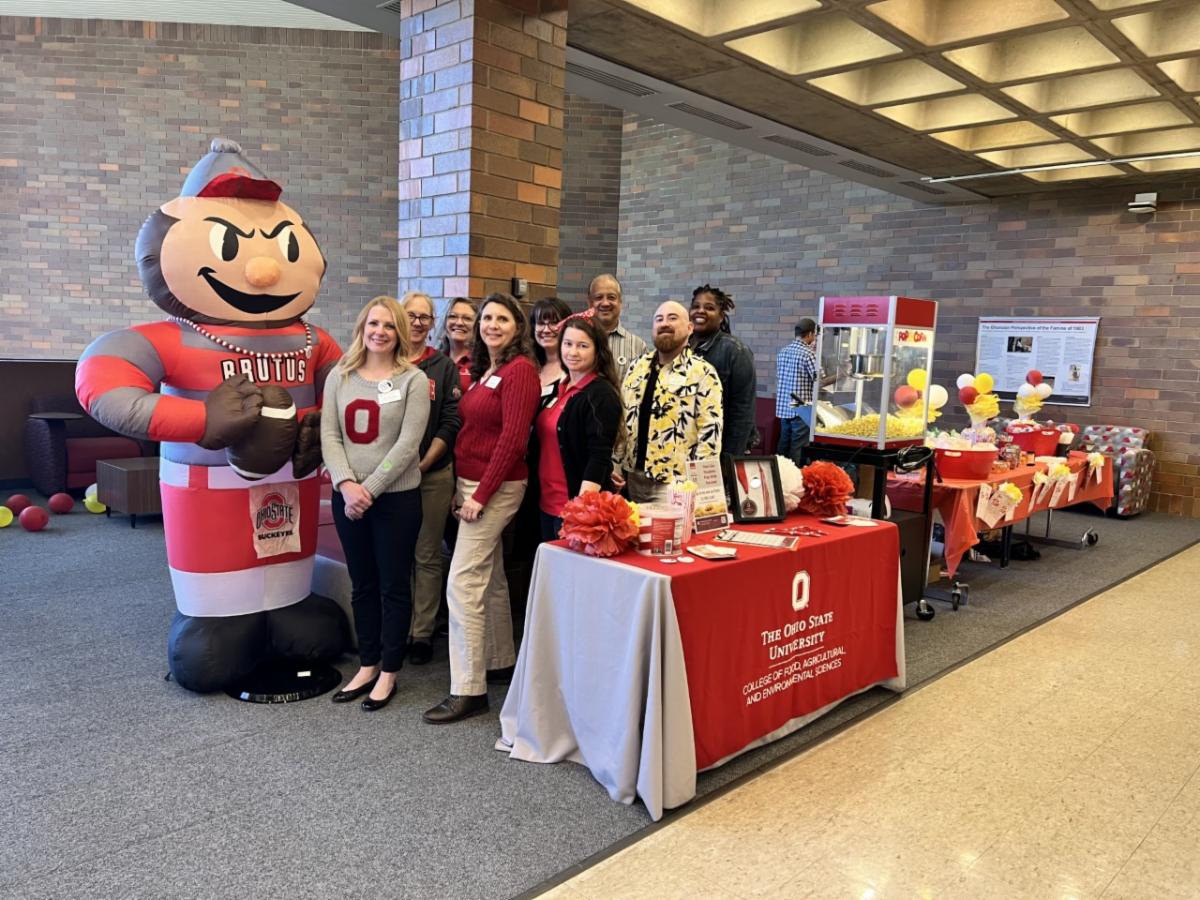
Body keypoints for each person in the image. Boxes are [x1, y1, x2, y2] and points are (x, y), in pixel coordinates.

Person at [424, 292, 540, 724]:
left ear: (517, 327)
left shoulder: (520, 371)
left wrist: (480, 495)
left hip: (498, 485)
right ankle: (498, 660)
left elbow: (512, 441)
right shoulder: (486, 368)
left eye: (502, 319)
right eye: (487, 318)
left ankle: (467, 689)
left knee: (462, 583)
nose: (492, 325)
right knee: (488, 577)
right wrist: (462, 488)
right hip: (473, 483)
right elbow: (472, 434)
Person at [321, 296, 430, 711]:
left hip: (396, 500)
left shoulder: (412, 380)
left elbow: (408, 444)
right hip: (348, 499)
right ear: (362, 327)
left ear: (399, 332)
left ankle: (389, 671)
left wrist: (372, 488)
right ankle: (366, 663)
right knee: (362, 584)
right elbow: (330, 436)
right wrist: (348, 485)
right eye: (373, 324)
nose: (380, 332)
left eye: (388, 325)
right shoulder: (341, 376)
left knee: (393, 586)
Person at [400, 291, 462, 666]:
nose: (419, 322)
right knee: (395, 554)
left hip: (433, 475)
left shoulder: (442, 366)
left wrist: (423, 464)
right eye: (412, 315)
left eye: (426, 316)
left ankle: (421, 633)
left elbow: (451, 421)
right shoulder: (384, 362)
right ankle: (398, 624)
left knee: (426, 554)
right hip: (387, 480)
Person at [531, 310, 623, 540]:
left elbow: (598, 457)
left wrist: (581, 512)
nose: (572, 352)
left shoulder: (600, 394)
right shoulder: (558, 388)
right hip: (546, 504)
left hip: (576, 511)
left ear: (597, 350)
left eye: (582, 346)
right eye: (568, 344)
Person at [618, 301, 722, 504]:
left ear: (690, 328)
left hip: (675, 485)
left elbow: (710, 436)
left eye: (672, 318)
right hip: (633, 478)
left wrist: (700, 493)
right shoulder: (636, 368)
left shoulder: (703, 373)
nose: (664, 323)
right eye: (659, 319)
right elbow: (622, 420)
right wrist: (616, 464)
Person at [689, 284, 757, 456]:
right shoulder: (682, 348)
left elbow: (742, 414)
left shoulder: (736, 352)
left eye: (709, 308)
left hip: (721, 450)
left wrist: (729, 461)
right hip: (688, 449)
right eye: (696, 306)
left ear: (721, 316)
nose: (700, 311)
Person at [588, 273, 646, 384]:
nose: (605, 303)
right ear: (590, 303)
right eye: (599, 297)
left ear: (620, 302)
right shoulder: (576, 343)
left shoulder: (638, 346)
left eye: (611, 297)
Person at [776, 318, 819, 467]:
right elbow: (820, 380)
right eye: (815, 334)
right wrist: (842, 374)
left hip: (784, 407)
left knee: (783, 445)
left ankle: (779, 477)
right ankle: (795, 480)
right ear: (810, 334)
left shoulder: (783, 352)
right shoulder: (809, 354)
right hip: (801, 408)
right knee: (798, 447)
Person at [530, 296, 572, 392]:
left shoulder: (575, 365)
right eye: (540, 323)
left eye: (554, 323)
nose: (546, 330)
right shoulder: (528, 364)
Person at [439, 296, 476, 392]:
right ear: (444, 322)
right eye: (453, 316)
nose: (459, 323)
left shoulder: (482, 363)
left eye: (467, 318)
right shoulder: (435, 359)